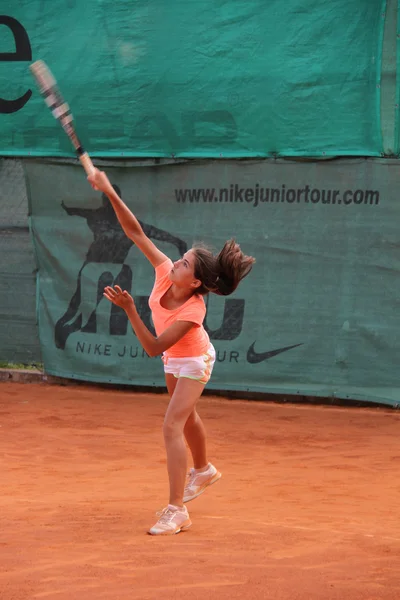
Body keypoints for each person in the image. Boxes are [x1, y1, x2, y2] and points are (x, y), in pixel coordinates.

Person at [87, 168, 255, 535]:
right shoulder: (165, 273)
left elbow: (151, 348)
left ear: (194, 281)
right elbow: (135, 232)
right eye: (180, 258)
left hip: (195, 360)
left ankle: (176, 510)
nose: (175, 261)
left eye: (184, 263)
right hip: (174, 358)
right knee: (188, 415)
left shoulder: (193, 311)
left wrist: (131, 309)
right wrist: (109, 191)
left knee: (172, 425)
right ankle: (205, 469)